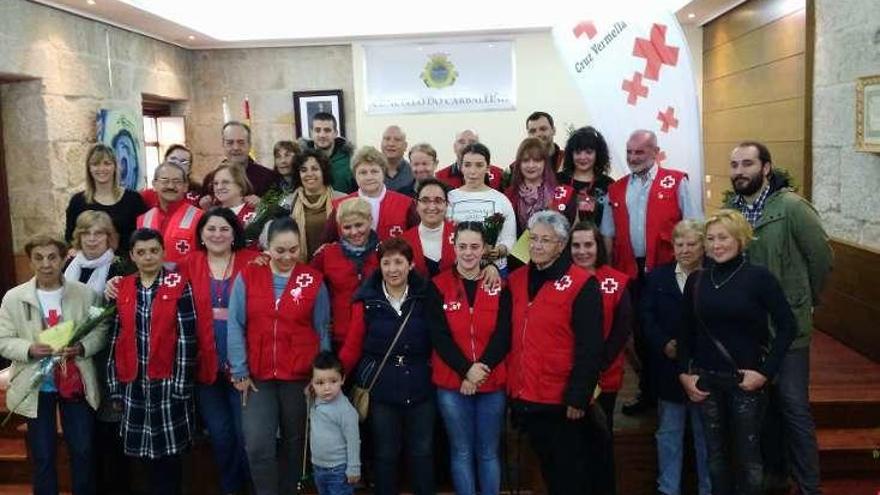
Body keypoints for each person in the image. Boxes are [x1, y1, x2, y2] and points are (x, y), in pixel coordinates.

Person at [726, 141, 832, 495]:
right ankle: (774, 478)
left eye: (747, 164)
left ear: (766, 168)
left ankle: (808, 486)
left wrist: (804, 300)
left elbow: (821, 258)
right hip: (750, 331)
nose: (739, 171)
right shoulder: (731, 210)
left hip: (788, 332)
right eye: (735, 165)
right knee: (761, 409)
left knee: (793, 407)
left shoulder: (791, 207)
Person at [677, 210, 798, 495]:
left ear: (741, 239)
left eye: (724, 237)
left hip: (745, 381)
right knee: (715, 458)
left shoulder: (759, 278)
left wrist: (765, 373)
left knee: (749, 459)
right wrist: (684, 373)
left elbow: (787, 326)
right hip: (705, 381)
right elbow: (685, 332)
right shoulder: (697, 280)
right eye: (710, 239)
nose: (716, 245)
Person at [227, 217, 331, 495]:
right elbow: (236, 322)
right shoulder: (249, 275)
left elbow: (322, 330)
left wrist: (321, 378)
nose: (287, 257)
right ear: (266, 247)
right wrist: (239, 370)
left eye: (293, 250)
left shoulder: (313, 280)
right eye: (280, 250)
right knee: (258, 444)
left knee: (295, 444)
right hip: (258, 378)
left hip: (299, 378)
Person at [600, 129, 701, 416]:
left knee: (672, 329)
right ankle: (649, 393)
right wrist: (608, 270)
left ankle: (679, 392)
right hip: (630, 271)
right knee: (641, 334)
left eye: (639, 152)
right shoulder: (616, 189)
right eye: (629, 152)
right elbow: (607, 234)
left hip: (668, 271)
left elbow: (694, 224)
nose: (633, 158)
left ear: (655, 152)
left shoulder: (676, 181)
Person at [0, 235, 108, 495]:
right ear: (30, 261)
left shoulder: (85, 294)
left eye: (52, 257)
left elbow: (102, 328)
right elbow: (3, 339)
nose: (46, 264)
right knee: (43, 454)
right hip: (37, 385)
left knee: (82, 450)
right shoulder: (14, 298)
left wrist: (82, 347)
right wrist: (28, 348)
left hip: (75, 380)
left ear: (63, 259)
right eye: (38, 257)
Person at [507, 210, 604, 494]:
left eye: (545, 240)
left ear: (561, 245)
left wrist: (579, 395)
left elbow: (591, 347)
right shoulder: (516, 279)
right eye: (532, 239)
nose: (536, 245)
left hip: (561, 400)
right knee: (546, 469)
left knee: (568, 475)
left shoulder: (582, 284)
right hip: (525, 394)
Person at [340, 238, 436, 495]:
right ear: (379, 266)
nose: (393, 269)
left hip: (420, 386)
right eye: (386, 263)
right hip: (382, 389)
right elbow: (353, 344)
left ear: (411, 264)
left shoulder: (425, 296)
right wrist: (337, 378)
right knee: (385, 453)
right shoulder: (367, 299)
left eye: (398, 262)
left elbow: (440, 339)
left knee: (423, 452)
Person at [106, 228, 197, 495]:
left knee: (169, 454)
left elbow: (186, 339)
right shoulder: (122, 287)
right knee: (142, 454)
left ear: (163, 253)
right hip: (133, 383)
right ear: (132, 256)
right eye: (141, 252)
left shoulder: (178, 285)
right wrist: (114, 384)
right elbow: (116, 337)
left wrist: (181, 386)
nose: (148, 257)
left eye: (154, 251)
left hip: (167, 383)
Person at [429, 221, 511, 495]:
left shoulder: (499, 284)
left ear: (485, 249)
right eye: (462, 246)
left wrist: (480, 371)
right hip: (452, 384)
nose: (468, 252)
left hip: (492, 382)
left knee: (488, 452)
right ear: (453, 248)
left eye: (475, 246)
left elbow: (504, 333)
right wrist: (466, 371)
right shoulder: (438, 285)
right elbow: (439, 336)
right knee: (461, 451)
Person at [182, 207, 259, 495]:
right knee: (221, 436)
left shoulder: (253, 262)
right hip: (206, 370)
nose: (217, 234)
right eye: (211, 229)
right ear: (201, 234)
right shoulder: (188, 263)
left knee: (246, 437)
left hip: (244, 368)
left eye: (224, 229)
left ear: (234, 232)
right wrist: (116, 282)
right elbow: (152, 278)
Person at [641, 219, 711, 495]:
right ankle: (668, 487)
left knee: (706, 436)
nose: (684, 250)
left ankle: (709, 488)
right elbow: (646, 317)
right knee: (669, 433)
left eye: (691, 244)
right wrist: (662, 343)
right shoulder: (658, 277)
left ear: (703, 245)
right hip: (668, 367)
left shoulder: (713, 277)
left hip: (704, 368)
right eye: (679, 244)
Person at [63, 211, 130, 494]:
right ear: (78, 236)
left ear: (109, 237)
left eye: (99, 233)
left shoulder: (120, 267)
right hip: (73, 359)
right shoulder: (67, 265)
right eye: (86, 233)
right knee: (81, 435)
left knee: (108, 431)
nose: (92, 239)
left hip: (107, 359)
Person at [568, 220, 633, 495]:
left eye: (588, 245)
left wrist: (595, 368)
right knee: (573, 447)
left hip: (604, 378)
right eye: (576, 245)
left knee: (601, 441)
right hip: (567, 378)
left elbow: (621, 330)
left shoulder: (616, 281)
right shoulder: (560, 279)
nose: (582, 251)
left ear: (598, 247)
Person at [311, 198, 379, 350]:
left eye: (359, 225)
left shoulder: (384, 253)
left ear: (370, 220)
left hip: (377, 335)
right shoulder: (326, 254)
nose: (354, 232)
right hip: (340, 336)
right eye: (347, 227)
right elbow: (308, 289)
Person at [322, 146, 418, 243]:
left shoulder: (405, 204)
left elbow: (417, 243)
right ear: (355, 175)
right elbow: (326, 246)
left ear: (383, 172)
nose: (369, 177)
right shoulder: (340, 206)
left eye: (374, 171)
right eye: (363, 172)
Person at [447, 143, 516, 275]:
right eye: (467, 165)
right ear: (461, 167)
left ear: (487, 168)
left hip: (494, 271)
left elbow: (509, 238)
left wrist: (499, 251)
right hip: (457, 270)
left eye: (479, 165)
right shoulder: (450, 198)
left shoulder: (501, 200)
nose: (473, 171)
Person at [65, 143, 147, 254]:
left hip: (126, 265)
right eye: (95, 164)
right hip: (88, 265)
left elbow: (143, 236)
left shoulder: (133, 200)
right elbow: (70, 238)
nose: (101, 169)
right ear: (89, 168)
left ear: (115, 166)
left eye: (107, 163)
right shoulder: (78, 201)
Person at [308, 351, 361, 495]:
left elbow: (353, 441)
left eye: (333, 381)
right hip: (318, 467)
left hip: (339, 471)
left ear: (342, 379)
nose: (327, 388)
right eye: (320, 382)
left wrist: (354, 468)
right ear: (312, 383)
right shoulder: (314, 400)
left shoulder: (346, 411)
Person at [137, 162, 204, 269]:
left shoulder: (200, 217)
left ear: (185, 186)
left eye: (177, 181)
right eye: (165, 181)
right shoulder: (142, 220)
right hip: (152, 283)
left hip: (188, 283)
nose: (171, 186)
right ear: (154, 185)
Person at [505, 137, 576, 235]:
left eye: (537, 160)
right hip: (517, 249)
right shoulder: (509, 195)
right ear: (519, 164)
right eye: (525, 161)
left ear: (545, 163)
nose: (531, 165)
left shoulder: (564, 193)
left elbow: (570, 232)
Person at [288, 148, 345, 261]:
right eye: (303, 170)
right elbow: (267, 227)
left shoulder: (343, 199)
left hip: (335, 264)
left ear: (324, 171)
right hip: (301, 268)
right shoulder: (288, 201)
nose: (309, 174)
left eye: (315, 169)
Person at [202, 121, 281, 202]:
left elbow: (279, 210)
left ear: (249, 145)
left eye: (241, 142)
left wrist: (262, 206)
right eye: (230, 143)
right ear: (223, 145)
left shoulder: (269, 178)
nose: (236, 147)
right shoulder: (210, 179)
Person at [558, 126, 615, 225]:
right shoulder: (559, 179)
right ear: (571, 154)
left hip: (596, 239)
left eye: (589, 152)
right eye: (578, 152)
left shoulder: (608, 184)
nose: (583, 157)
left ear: (598, 154)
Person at [402, 178, 456, 278]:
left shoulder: (461, 236)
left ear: (447, 205)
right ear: (416, 205)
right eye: (425, 200)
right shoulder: (402, 242)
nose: (432, 207)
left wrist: (492, 268)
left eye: (438, 200)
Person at [299, 112, 356, 193]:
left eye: (327, 130)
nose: (322, 135)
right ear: (311, 133)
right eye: (317, 130)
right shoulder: (300, 159)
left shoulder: (350, 159)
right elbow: (290, 190)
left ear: (335, 133)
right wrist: (283, 205)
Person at [435, 129, 504, 191]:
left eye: (472, 142)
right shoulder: (440, 177)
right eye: (461, 142)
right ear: (454, 147)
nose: (466, 146)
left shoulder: (498, 174)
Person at [141, 145, 202, 209]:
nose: (177, 164)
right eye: (173, 159)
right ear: (164, 162)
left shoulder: (199, 194)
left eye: (183, 161)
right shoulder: (147, 196)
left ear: (189, 169)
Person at [212, 163, 257, 228]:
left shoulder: (256, 213)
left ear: (240, 186)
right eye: (215, 183)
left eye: (225, 182)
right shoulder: (211, 214)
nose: (219, 187)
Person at [381, 125, 415, 194]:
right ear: (381, 144)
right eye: (387, 139)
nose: (391, 144)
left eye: (397, 140)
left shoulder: (414, 172)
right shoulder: (371, 172)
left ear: (405, 146)